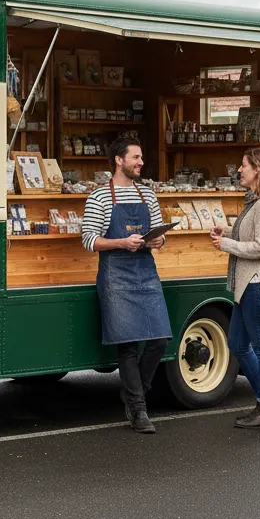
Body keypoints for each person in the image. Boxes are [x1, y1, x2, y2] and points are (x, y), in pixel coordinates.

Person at [82, 136, 171, 433]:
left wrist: (159, 240)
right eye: (136, 157)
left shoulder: (148, 195)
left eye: (141, 157)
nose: (141, 162)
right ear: (119, 160)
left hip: (146, 272)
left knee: (160, 339)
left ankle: (136, 391)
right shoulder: (99, 197)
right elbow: (89, 240)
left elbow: (159, 233)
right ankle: (137, 408)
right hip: (116, 275)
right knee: (128, 344)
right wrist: (122, 242)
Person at [210, 147, 260, 429]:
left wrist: (226, 245)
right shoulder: (256, 201)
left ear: (258, 169)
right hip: (247, 285)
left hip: (259, 285)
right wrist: (228, 231)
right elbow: (252, 234)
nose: (239, 170)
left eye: (244, 165)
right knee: (237, 344)